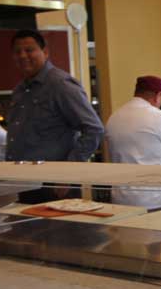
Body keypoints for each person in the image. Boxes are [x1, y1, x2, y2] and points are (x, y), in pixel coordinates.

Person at [6, 30, 104, 203]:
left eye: (29, 50)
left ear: (45, 52)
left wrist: (67, 173)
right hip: (25, 182)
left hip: (55, 185)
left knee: (59, 231)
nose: (22, 56)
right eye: (17, 52)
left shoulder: (60, 84)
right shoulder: (20, 90)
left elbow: (94, 129)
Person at [105, 75, 161, 210]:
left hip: (120, 199)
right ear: (158, 95)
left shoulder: (115, 116)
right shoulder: (159, 117)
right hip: (153, 199)